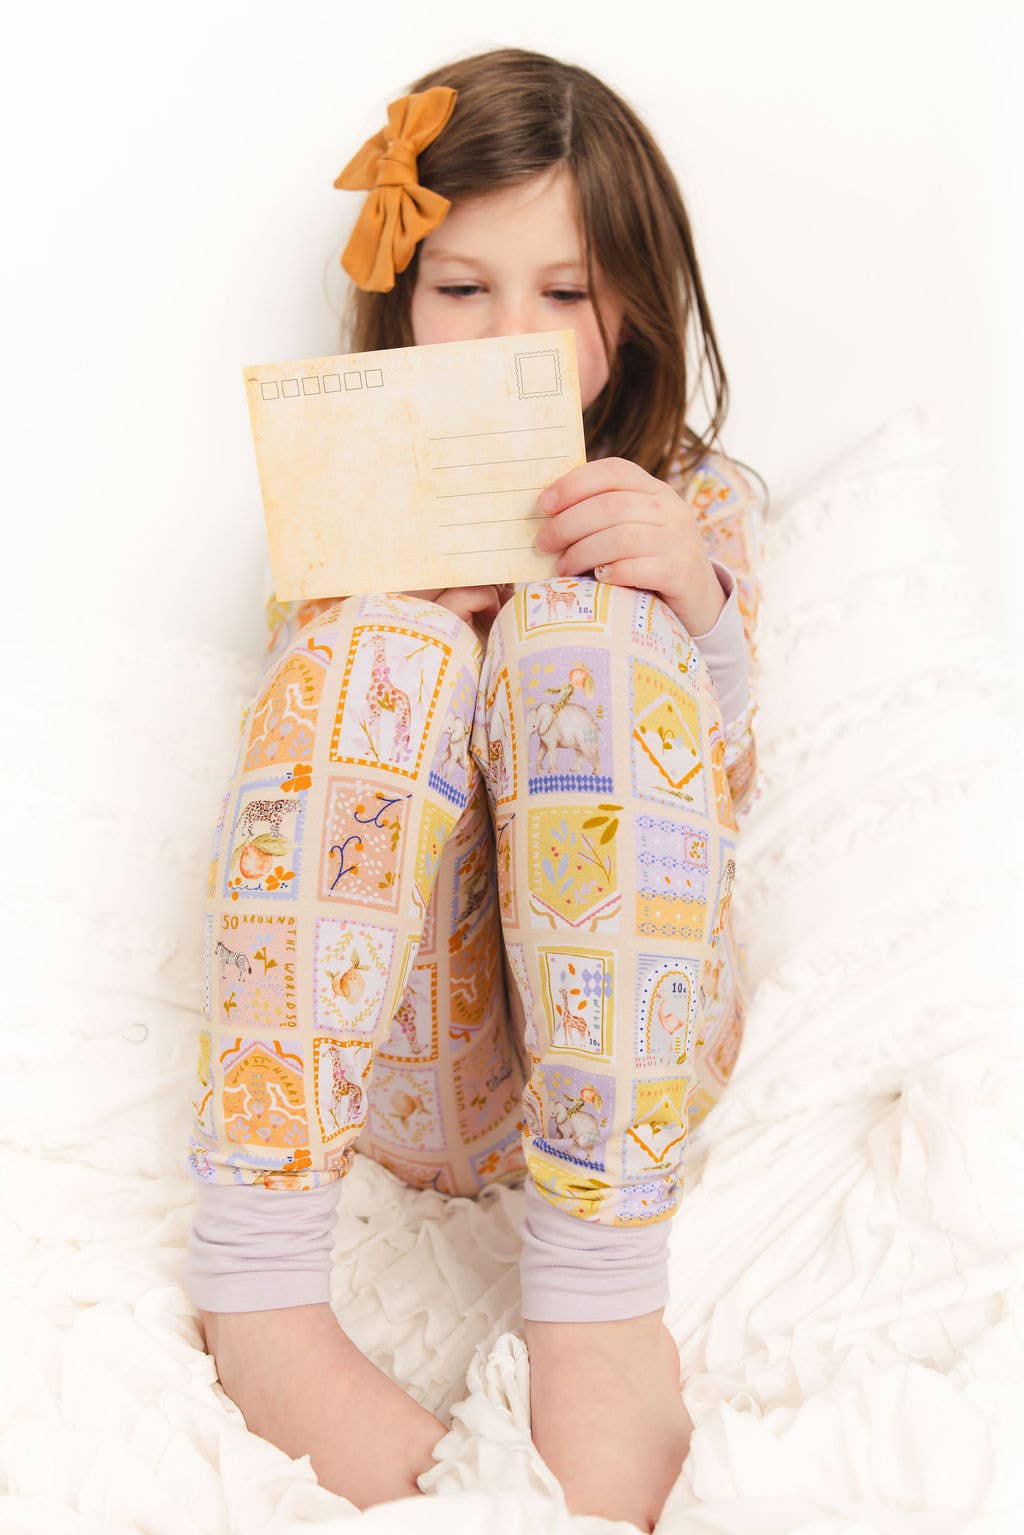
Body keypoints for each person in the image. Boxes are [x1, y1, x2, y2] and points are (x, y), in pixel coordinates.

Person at [184, 45, 766, 1532]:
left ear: (634, 310)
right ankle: (258, 1280)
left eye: (565, 293)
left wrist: (693, 613)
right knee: (373, 649)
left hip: (624, 1056)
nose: (514, 334)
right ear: (400, 301)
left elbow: (726, 794)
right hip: (401, 1058)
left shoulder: (693, 499)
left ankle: (599, 1300)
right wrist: (402, 622)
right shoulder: (345, 509)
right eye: (463, 288)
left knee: (593, 633)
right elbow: (299, 796)